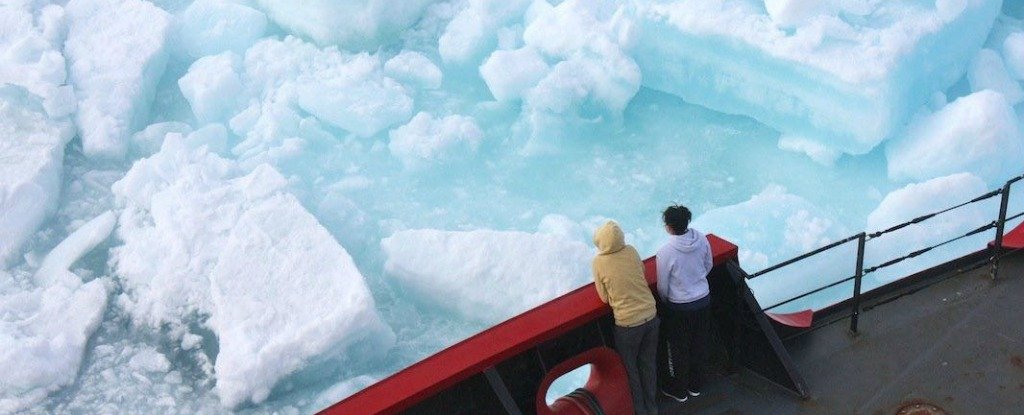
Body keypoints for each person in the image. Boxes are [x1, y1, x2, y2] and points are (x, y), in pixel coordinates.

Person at [592, 220, 660, 415]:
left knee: (631, 370)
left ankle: (640, 411)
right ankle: (653, 408)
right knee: (648, 365)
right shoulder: (630, 250)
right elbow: (642, 272)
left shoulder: (598, 262)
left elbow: (604, 297)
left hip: (628, 324)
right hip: (650, 315)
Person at [655, 205, 713, 403]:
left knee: (678, 348)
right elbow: (708, 265)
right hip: (703, 300)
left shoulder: (665, 252)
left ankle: (679, 391)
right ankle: (696, 385)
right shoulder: (702, 238)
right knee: (700, 342)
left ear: (669, 226)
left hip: (679, 307)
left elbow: (662, 285)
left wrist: (669, 300)